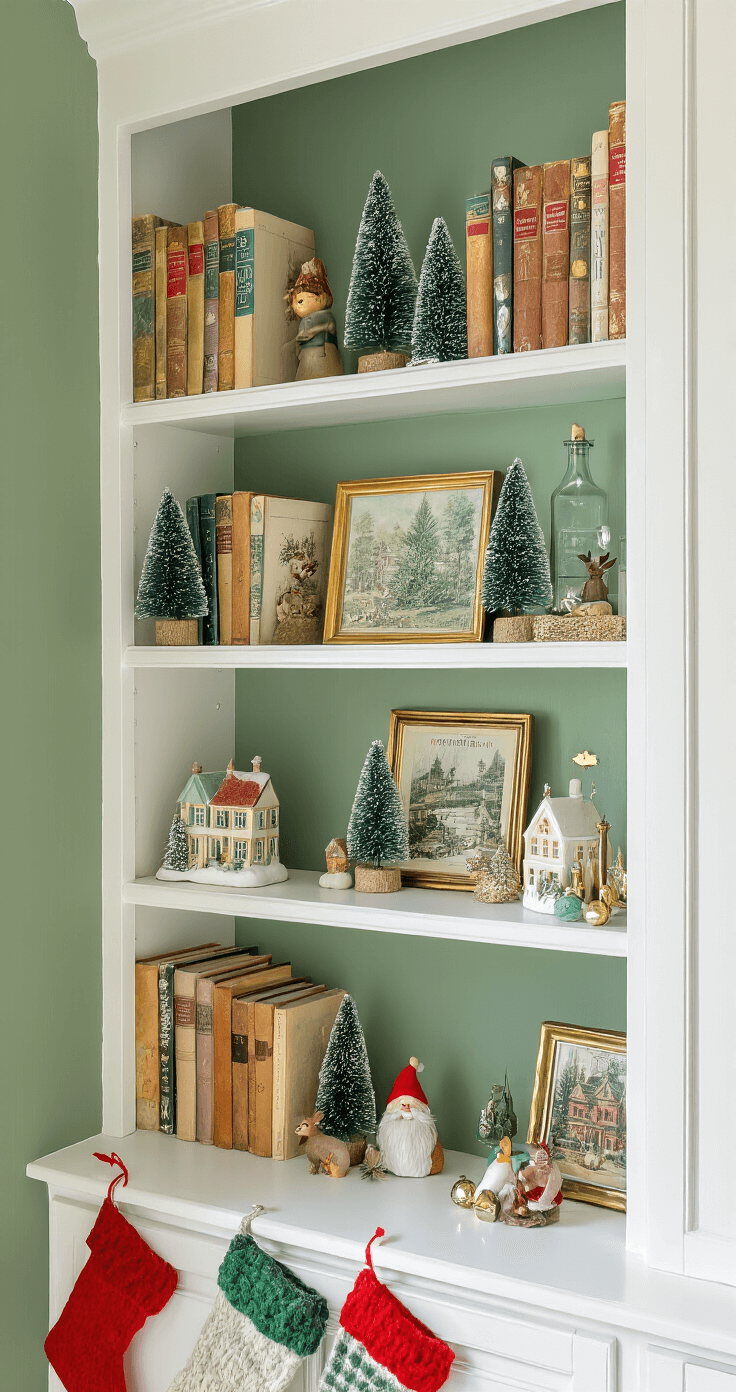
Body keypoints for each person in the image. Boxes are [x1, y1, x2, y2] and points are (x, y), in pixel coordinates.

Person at [285, 257, 343, 380]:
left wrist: (312, 332)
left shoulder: (324, 315)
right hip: (306, 358)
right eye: (294, 303)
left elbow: (330, 326)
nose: (296, 307)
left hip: (322, 355)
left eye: (300, 301)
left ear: (319, 298)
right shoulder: (304, 321)